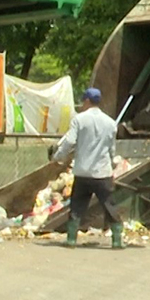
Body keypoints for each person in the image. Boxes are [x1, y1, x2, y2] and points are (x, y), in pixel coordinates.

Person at [52, 87, 124, 249]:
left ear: (86, 101)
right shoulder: (110, 123)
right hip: (102, 173)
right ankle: (117, 240)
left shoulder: (79, 120)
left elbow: (69, 142)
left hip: (83, 172)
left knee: (77, 205)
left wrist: (58, 157)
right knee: (109, 205)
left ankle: (71, 239)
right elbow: (111, 149)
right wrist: (112, 163)